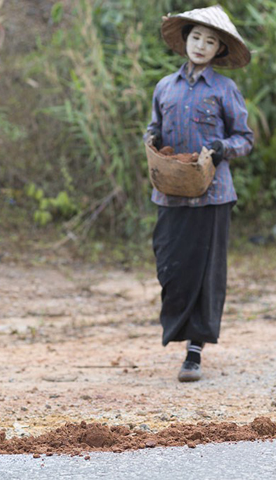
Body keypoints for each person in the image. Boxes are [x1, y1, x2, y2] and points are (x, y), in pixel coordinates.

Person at [146, 5, 253, 382]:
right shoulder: (165, 87)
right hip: (170, 193)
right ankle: (181, 332)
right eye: (196, 37)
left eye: (210, 41)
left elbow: (245, 138)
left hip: (213, 194)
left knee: (206, 273)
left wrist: (224, 148)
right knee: (171, 267)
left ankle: (195, 350)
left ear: (219, 49)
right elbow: (152, 128)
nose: (201, 45)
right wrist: (153, 140)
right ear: (185, 40)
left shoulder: (226, 89)